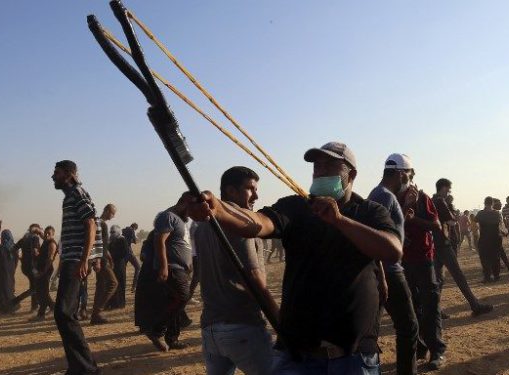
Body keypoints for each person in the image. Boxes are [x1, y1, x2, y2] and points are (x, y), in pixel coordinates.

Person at [190, 142, 402, 374]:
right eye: (316, 166)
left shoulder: (370, 211)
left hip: (354, 357)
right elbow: (258, 223)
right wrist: (218, 209)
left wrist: (339, 220)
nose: (320, 171)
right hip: (298, 357)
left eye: (330, 165)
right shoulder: (296, 207)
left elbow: (392, 250)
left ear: (350, 174)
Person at [196, 166, 279, 375]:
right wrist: (281, 324)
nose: (256, 195)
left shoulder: (202, 227)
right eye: (250, 189)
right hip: (241, 327)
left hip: (211, 329)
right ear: (231, 191)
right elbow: (254, 280)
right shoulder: (241, 224)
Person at [367, 153, 419, 375]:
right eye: (408, 175)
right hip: (388, 271)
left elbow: (390, 233)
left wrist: (403, 216)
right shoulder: (384, 197)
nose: (409, 180)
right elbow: (375, 239)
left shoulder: (382, 195)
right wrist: (382, 277)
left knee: (375, 329)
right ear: (400, 174)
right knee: (408, 327)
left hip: (385, 270)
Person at [51, 160, 101, 374]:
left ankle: (86, 368)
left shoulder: (77, 193)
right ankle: (79, 367)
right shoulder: (71, 196)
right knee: (64, 313)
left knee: (64, 313)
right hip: (72, 259)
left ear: (69, 174)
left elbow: (90, 223)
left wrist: (84, 259)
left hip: (76, 260)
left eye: (57, 172)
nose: (53, 177)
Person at [399, 168, 447, 371]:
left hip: (424, 259)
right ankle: (420, 347)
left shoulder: (423, 198)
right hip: (403, 260)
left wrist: (413, 220)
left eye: (405, 176)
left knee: (430, 304)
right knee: (412, 306)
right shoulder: (392, 198)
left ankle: (437, 350)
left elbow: (435, 225)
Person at [432, 178, 493, 317]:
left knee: (438, 279)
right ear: (443, 188)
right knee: (458, 275)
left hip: (436, 243)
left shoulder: (432, 200)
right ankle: (475, 305)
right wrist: (453, 216)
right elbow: (452, 221)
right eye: (448, 189)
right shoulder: (440, 201)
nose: (449, 192)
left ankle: (435, 310)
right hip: (443, 243)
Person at [143, 192, 195, 352]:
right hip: (172, 268)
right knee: (182, 297)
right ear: (184, 203)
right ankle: (156, 329)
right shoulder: (167, 216)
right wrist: (164, 266)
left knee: (175, 302)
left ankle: (172, 338)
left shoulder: (181, 221)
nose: (192, 213)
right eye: (191, 208)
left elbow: (181, 244)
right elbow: (160, 240)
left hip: (181, 269)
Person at [90, 204, 118, 325]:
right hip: (100, 261)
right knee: (113, 283)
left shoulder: (100, 223)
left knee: (100, 286)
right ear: (106, 210)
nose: (113, 216)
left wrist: (110, 257)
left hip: (102, 259)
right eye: (112, 213)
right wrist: (97, 261)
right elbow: (96, 243)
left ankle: (95, 317)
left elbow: (103, 244)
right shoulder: (101, 224)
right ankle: (98, 311)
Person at [474, 197, 505, 283]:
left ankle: (487, 276)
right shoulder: (496, 213)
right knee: (496, 257)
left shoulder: (481, 213)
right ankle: (496, 275)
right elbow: (498, 223)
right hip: (496, 237)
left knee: (484, 258)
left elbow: (475, 220)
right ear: (492, 203)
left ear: (484, 203)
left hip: (485, 238)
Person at [30, 226, 57, 321]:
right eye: (45, 233)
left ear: (53, 234)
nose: (46, 235)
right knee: (41, 292)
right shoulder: (46, 240)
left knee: (43, 293)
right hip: (41, 269)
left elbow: (50, 259)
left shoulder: (52, 244)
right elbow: (42, 234)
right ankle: (53, 307)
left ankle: (41, 314)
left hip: (46, 270)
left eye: (49, 233)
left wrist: (43, 272)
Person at [13, 224, 42, 312]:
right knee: (35, 287)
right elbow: (36, 252)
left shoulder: (24, 238)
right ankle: (16, 300)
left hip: (25, 267)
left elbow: (14, 248)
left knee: (34, 285)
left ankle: (34, 307)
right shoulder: (35, 238)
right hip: (32, 266)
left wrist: (21, 258)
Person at [0, 229, 20, 314]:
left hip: (2, 272)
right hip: (10, 271)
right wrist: (13, 269)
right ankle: (11, 308)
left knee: (1, 290)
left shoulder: (1, 249)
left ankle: (6, 309)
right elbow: (16, 261)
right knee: (9, 289)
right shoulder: (15, 247)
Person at [106, 225, 129, 310]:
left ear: (118, 232)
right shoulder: (111, 241)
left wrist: (114, 256)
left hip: (120, 265)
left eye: (113, 232)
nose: (111, 234)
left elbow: (125, 252)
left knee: (120, 284)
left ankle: (120, 304)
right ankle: (113, 303)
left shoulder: (122, 240)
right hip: (112, 266)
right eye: (110, 232)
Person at [122, 224, 141, 293]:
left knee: (123, 269)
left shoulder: (123, 230)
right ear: (135, 228)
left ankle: (122, 287)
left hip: (123, 253)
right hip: (129, 252)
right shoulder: (132, 230)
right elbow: (135, 241)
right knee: (138, 267)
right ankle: (134, 286)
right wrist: (136, 239)